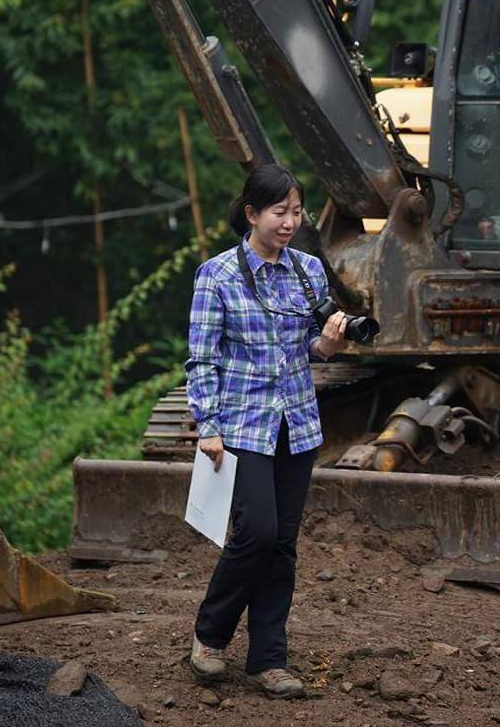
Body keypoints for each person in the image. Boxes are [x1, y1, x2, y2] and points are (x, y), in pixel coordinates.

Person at [184, 164, 347, 698]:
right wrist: (208, 425)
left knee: (283, 546)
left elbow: (308, 350)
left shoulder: (307, 271)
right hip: (241, 425)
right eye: (280, 212)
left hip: (296, 423)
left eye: (297, 212)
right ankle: (210, 636)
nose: (290, 222)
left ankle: (268, 660)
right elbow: (202, 358)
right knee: (255, 534)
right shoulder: (218, 275)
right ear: (251, 213)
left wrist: (328, 344)